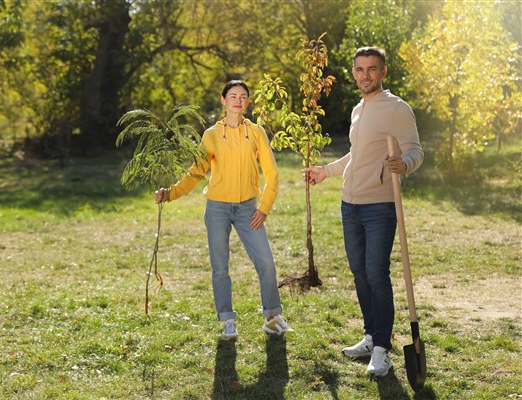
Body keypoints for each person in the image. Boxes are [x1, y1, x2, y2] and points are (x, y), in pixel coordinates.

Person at [303, 47, 423, 377]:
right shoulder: (358, 109)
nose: (365, 74)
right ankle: (371, 336)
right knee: (359, 273)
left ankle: (383, 349)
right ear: (353, 72)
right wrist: (325, 171)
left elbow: (414, 149)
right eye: (359, 69)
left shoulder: (397, 108)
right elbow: (356, 155)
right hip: (349, 205)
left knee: (376, 274)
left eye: (371, 69)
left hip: (380, 206)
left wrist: (406, 163)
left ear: (382, 72)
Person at [155, 80, 292, 340]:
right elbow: (195, 173)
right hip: (217, 209)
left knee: (266, 262)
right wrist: (170, 193)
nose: (237, 100)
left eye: (242, 96)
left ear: (247, 102)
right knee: (220, 267)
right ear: (223, 100)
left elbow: (272, 174)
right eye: (232, 96)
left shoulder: (257, 133)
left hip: (248, 209)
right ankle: (228, 320)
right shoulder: (211, 135)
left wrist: (263, 208)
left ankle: (272, 318)